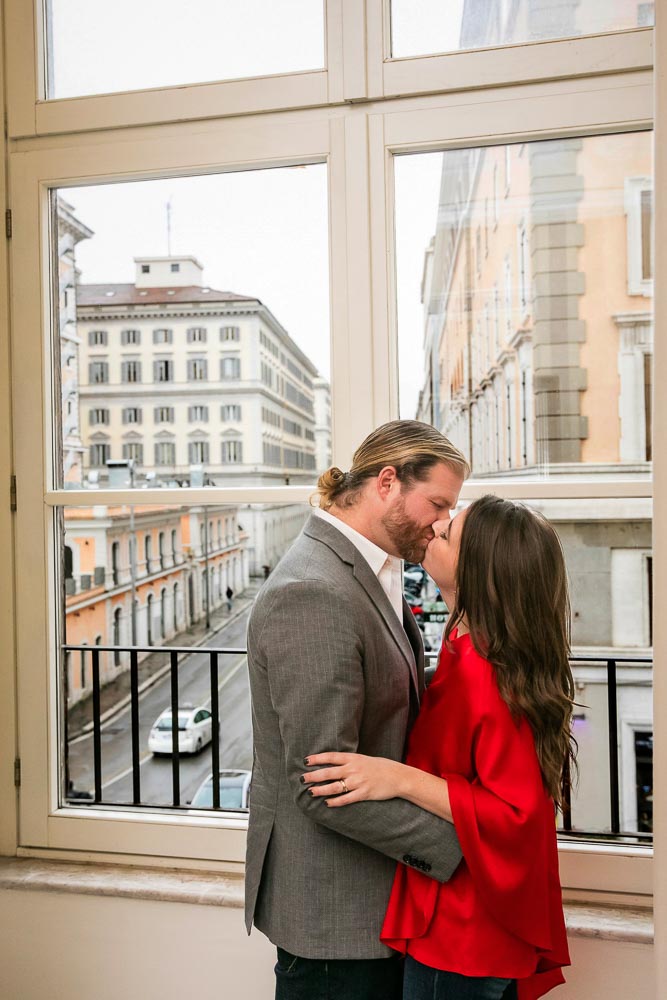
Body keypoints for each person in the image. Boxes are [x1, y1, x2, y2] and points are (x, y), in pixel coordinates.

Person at [304, 495, 575, 1000]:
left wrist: (399, 777)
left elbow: (515, 814)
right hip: (455, 922)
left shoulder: (488, 676)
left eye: (450, 531)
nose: (438, 524)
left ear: (479, 572)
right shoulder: (465, 648)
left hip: (466, 933)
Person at [246, 420, 470, 1000]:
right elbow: (321, 782)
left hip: (374, 906)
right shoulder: (313, 592)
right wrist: (466, 845)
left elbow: (393, 696)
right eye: (438, 503)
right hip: (335, 924)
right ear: (388, 482)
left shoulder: (376, 569)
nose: (444, 521)